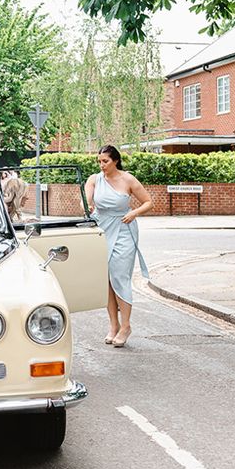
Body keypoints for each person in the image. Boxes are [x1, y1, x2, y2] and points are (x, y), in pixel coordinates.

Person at [84, 145, 152, 348]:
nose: (101, 165)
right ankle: (113, 325)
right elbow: (86, 200)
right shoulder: (94, 179)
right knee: (107, 280)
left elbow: (148, 202)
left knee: (120, 277)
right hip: (102, 229)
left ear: (115, 161)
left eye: (105, 161)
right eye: (99, 161)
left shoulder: (128, 179)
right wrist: (86, 205)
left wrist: (134, 213)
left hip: (124, 230)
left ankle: (126, 326)